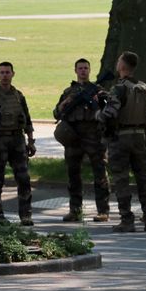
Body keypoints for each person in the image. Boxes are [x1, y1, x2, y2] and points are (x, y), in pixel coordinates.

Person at [96, 51, 146, 232]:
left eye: (119, 61)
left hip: (122, 137)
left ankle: (127, 220)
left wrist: (99, 112)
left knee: (121, 179)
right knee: (144, 179)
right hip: (140, 136)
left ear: (123, 66)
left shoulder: (119, 88)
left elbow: (110, 113)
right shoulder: (143, 87)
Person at [53, 58, 111, 223]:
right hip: (73, 137)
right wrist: (64, 104)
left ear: (89, 70)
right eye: (80, 68)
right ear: (75, 71)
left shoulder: (99, 90)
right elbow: (56, 113)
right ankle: (75, 210)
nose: (83, 71)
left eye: (86, 68)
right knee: (73, 175)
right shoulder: (68, 92)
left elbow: (107, 110)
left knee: (100, 173)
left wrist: (97, 100)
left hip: (94, 136)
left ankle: (103, 211)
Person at [0, 61, 36, 226]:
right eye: (2, 72)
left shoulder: (18, 95)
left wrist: (30, 140)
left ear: (13, 74)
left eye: (7, 72)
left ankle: (25, 215)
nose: (5, 75)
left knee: (24, 179)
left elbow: (26, 118)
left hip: (17, 140)